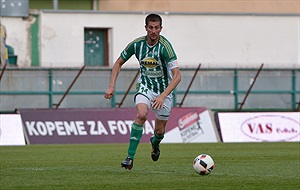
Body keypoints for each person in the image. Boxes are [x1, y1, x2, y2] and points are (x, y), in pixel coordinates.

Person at [104, 13, 181, 170]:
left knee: (159, 131)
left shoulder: (165, 47)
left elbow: (177, 76)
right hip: (145, 86)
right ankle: (129, 157)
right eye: (150, 27)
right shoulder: (137, 44)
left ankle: (155, 142)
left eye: (156, 28)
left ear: (161, 28)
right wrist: (111, 85)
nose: (153, 31)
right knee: (141, 115)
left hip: (163, 91)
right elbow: (118, 63)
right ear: (146, 28)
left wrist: (163, 95)